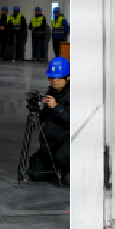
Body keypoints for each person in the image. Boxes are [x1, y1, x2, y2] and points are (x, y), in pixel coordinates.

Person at [27, 56, 70, 184]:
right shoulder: (51, 92)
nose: (53, 81)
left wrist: (56, 107)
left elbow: (71, 121)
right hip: (50, 142)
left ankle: (68, 170)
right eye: (51, 78)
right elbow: (47, 121)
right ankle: (56, 170)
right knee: (35, 173)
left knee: (61, 157)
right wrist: (41, 114)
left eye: (57, 78)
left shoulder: (73, 95)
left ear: (67, 78)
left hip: (66, 140)